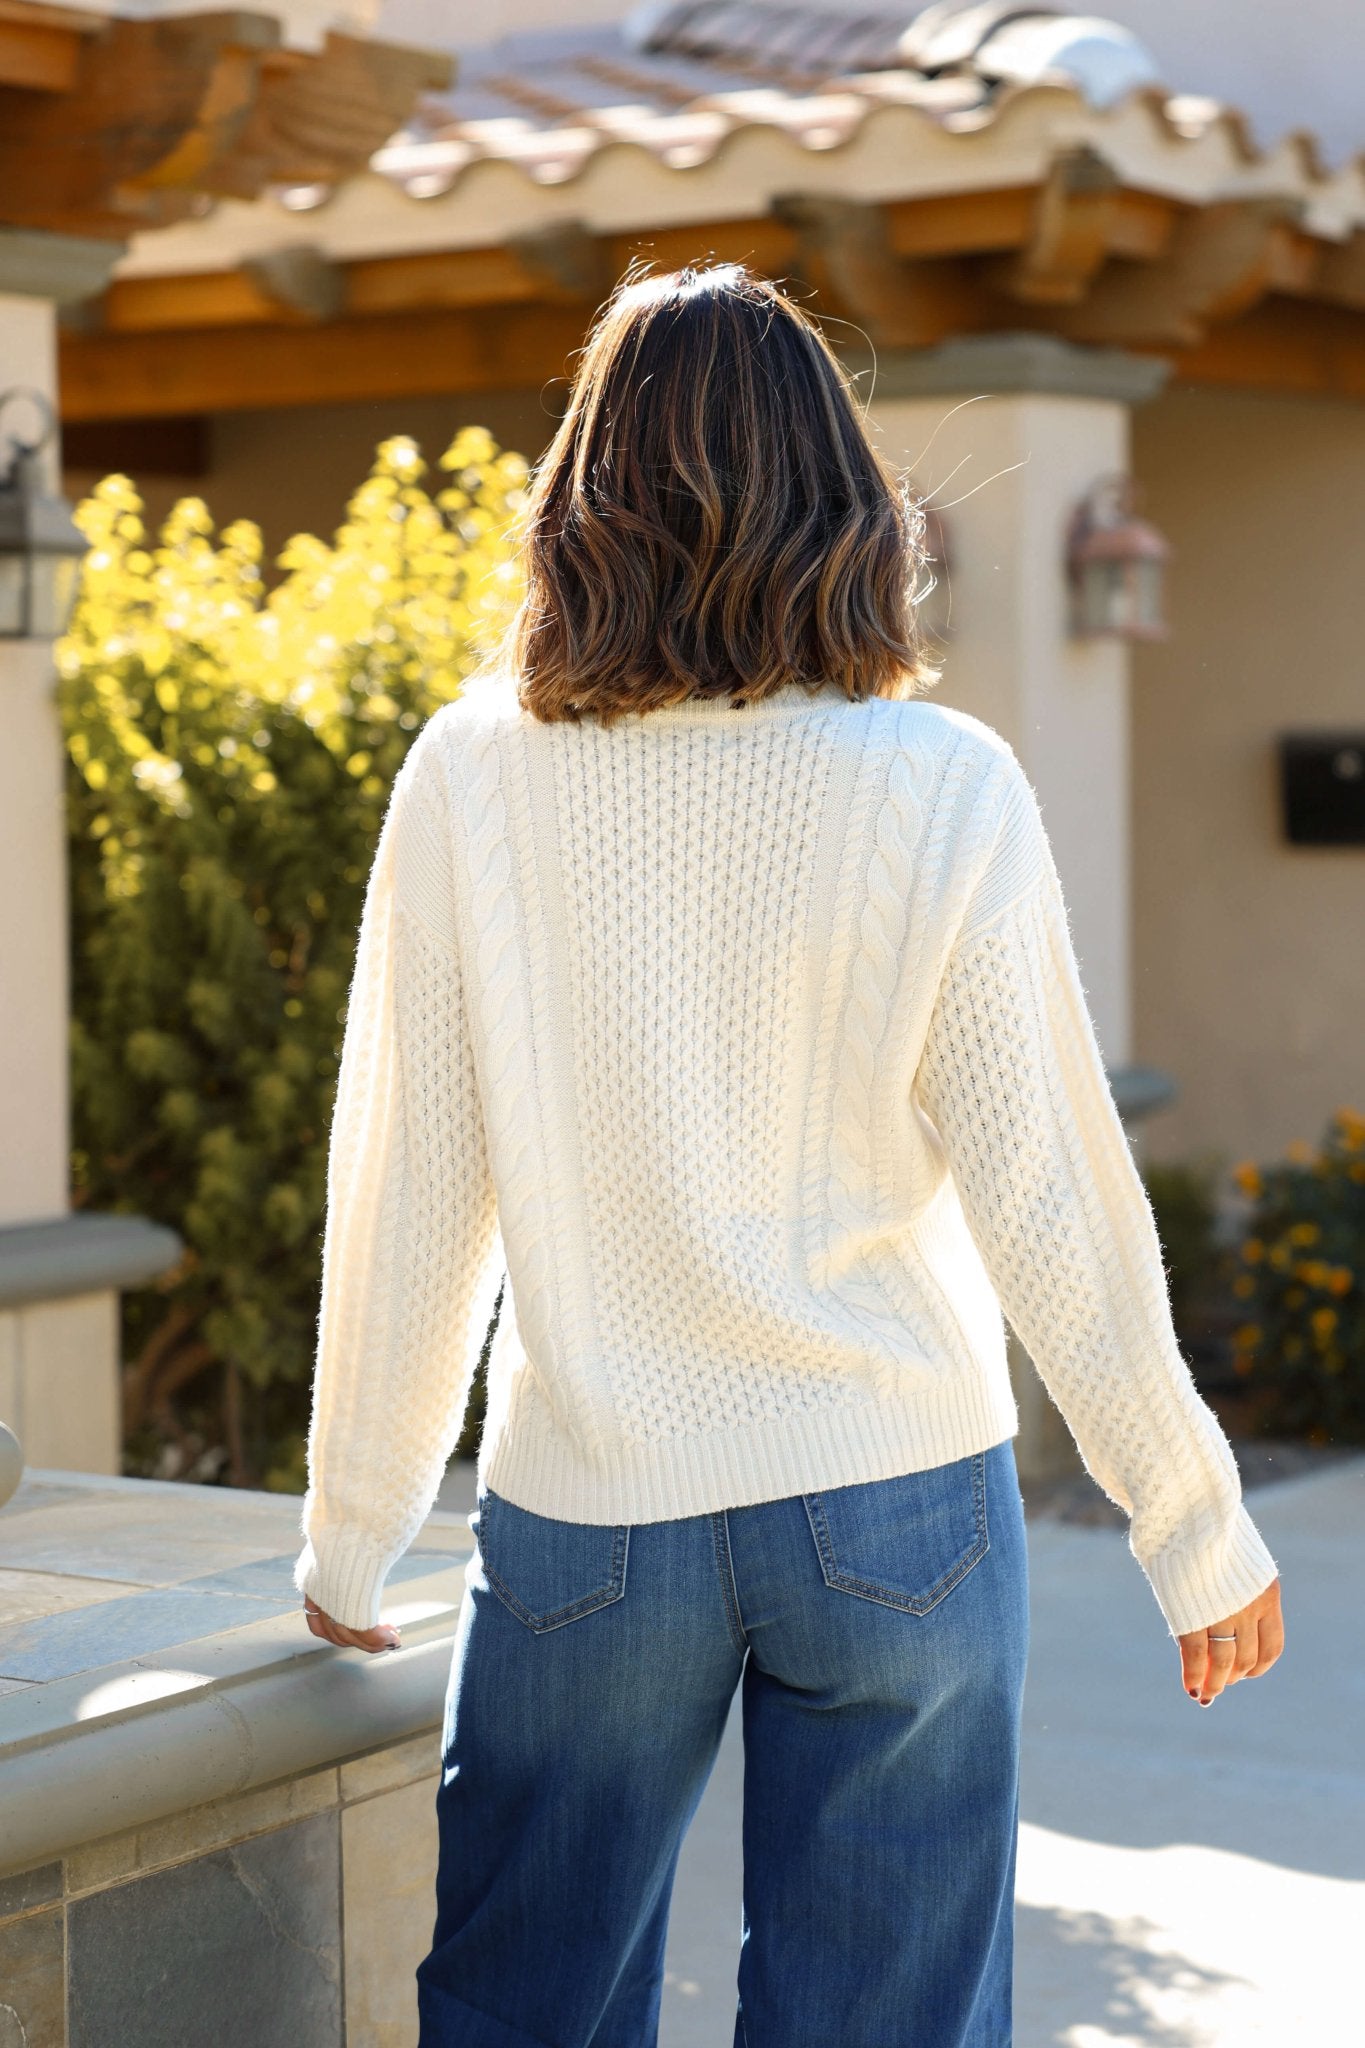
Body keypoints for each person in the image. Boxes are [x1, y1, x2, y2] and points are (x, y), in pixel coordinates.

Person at [293, 264, 1284, 2048]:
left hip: (591, 1510)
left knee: (525, 2012)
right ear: (844, 501)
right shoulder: (940, 780)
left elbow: (411, 1183)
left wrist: (356, 1518)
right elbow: (1048, 1188)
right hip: (896, 1494)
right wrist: (1188, 1519)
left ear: (580, 502)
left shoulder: (471, 776)